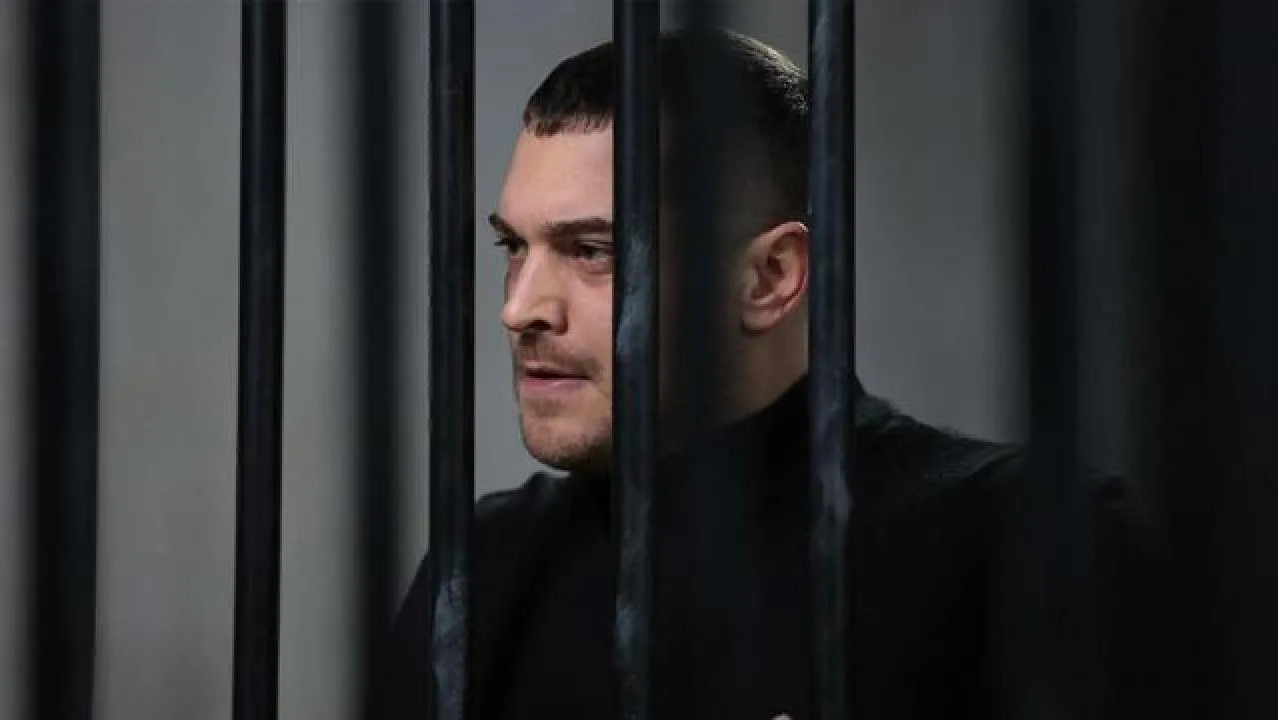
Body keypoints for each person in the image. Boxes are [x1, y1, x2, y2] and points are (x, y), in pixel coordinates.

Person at [377, 30, 1166, 720]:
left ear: (771, 277)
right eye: (513, 247)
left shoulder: (1019, 544)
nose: (519, 308)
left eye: (593, 252)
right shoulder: (489, 567)